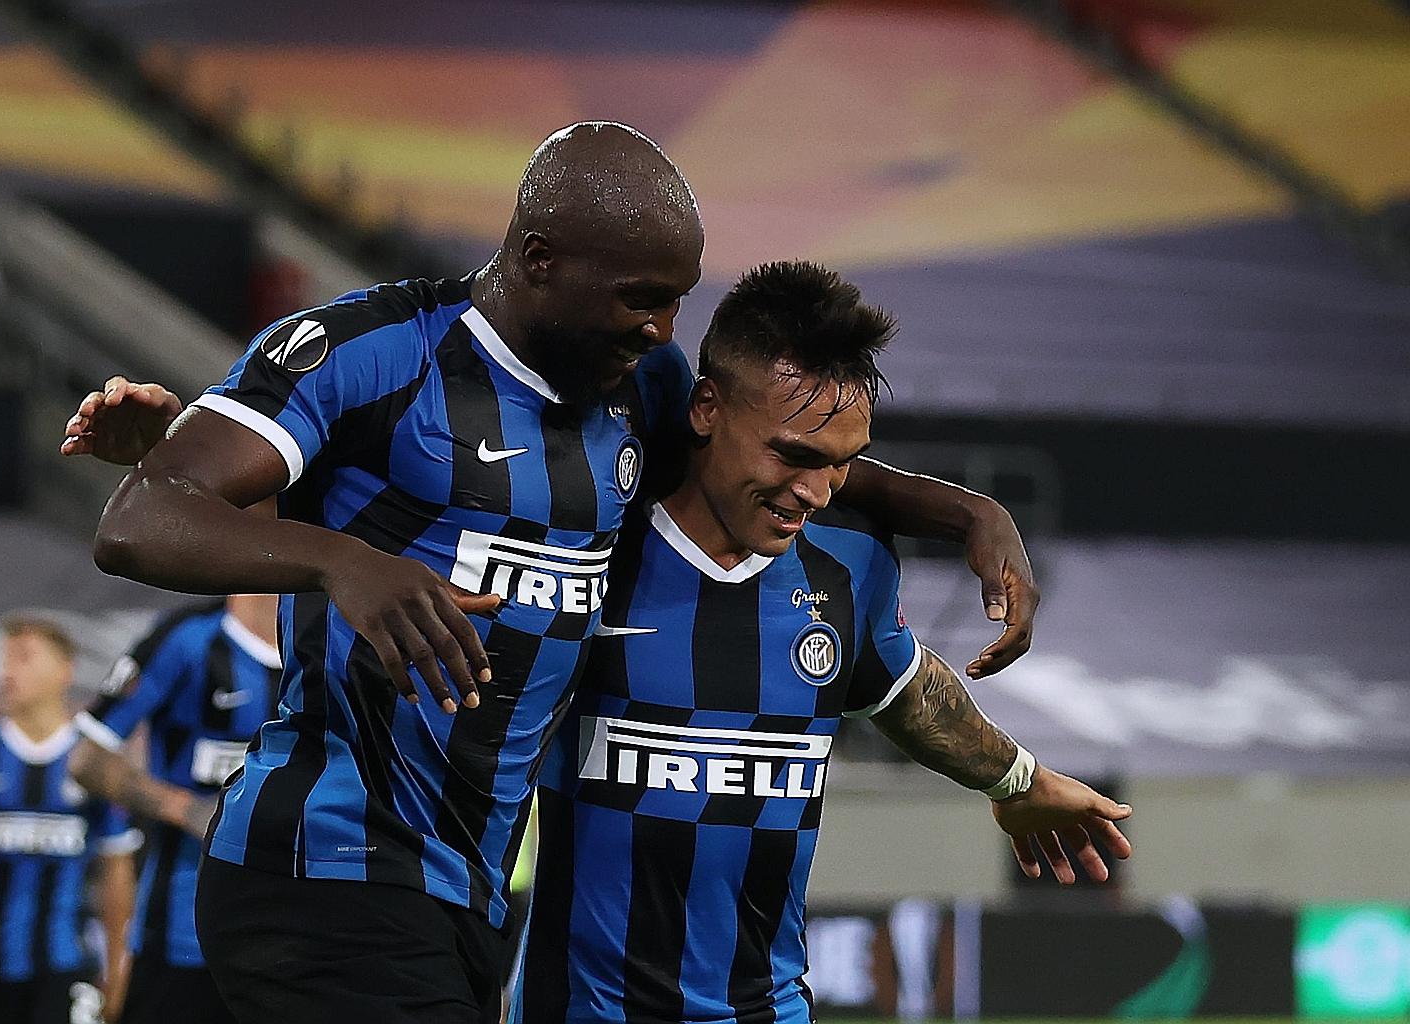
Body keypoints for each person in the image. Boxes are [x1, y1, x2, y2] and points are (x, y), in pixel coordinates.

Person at [68, 122, 1039, 1024]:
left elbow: (773, 451)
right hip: (325, 861)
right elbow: (142, 519)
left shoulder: (639, 388)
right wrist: (343, 563)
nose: (663, 329)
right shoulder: (370, 355)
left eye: (676, 299)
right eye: (641, 298)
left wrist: (966, 511)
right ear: (540, 260)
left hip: (473, 887)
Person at [511, 262, 1131, 1024]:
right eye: (793, 456)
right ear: (706, 407)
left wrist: (1018, 780)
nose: (815, 491)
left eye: (841, 463)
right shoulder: (597, 545)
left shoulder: (849, 564)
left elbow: (904, 692)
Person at [0, 616, 141, 1024]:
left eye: (24, 659)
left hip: (65, 964)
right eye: (5, 660)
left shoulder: (94, 763)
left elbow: (118, 871)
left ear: (64, 671)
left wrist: (119, 961)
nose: (7, 672)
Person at [68, 595, 282, 1024]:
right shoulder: (186, 638)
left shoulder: (332, 634)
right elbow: (87, 759)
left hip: (299, 940)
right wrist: (186, 810)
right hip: (182, 934)